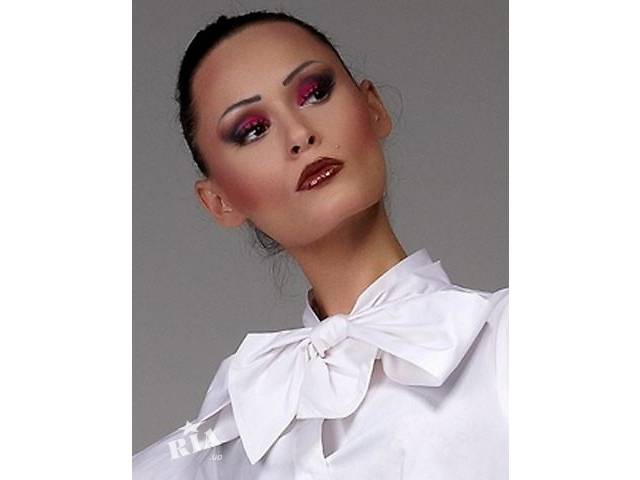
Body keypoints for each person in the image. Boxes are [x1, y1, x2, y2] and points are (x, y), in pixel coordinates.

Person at [133, 10, 508, 479]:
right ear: (219, 201)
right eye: (253, 130)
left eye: (314, 93)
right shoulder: (227, 438)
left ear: (372, 107)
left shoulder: (507, 342)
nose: (299, 134)